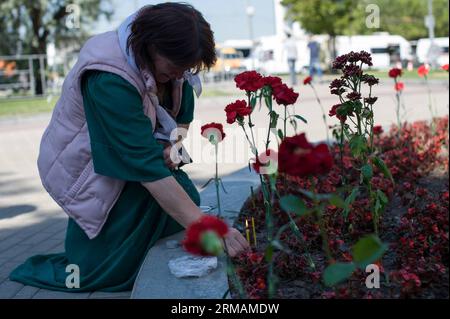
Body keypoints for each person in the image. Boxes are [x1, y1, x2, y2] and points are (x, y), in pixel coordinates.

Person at [9, 3, 249, 293]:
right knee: (105, 267)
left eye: (185, 69)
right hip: (90, 165)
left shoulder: (174, 67)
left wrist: (173, 145)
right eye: (173, 68)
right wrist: (208, 228)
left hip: (135, 158)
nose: (178, 76)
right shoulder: (108, 77)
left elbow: (181, 115)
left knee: (179, 202)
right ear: (149, 46)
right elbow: (145, 168)